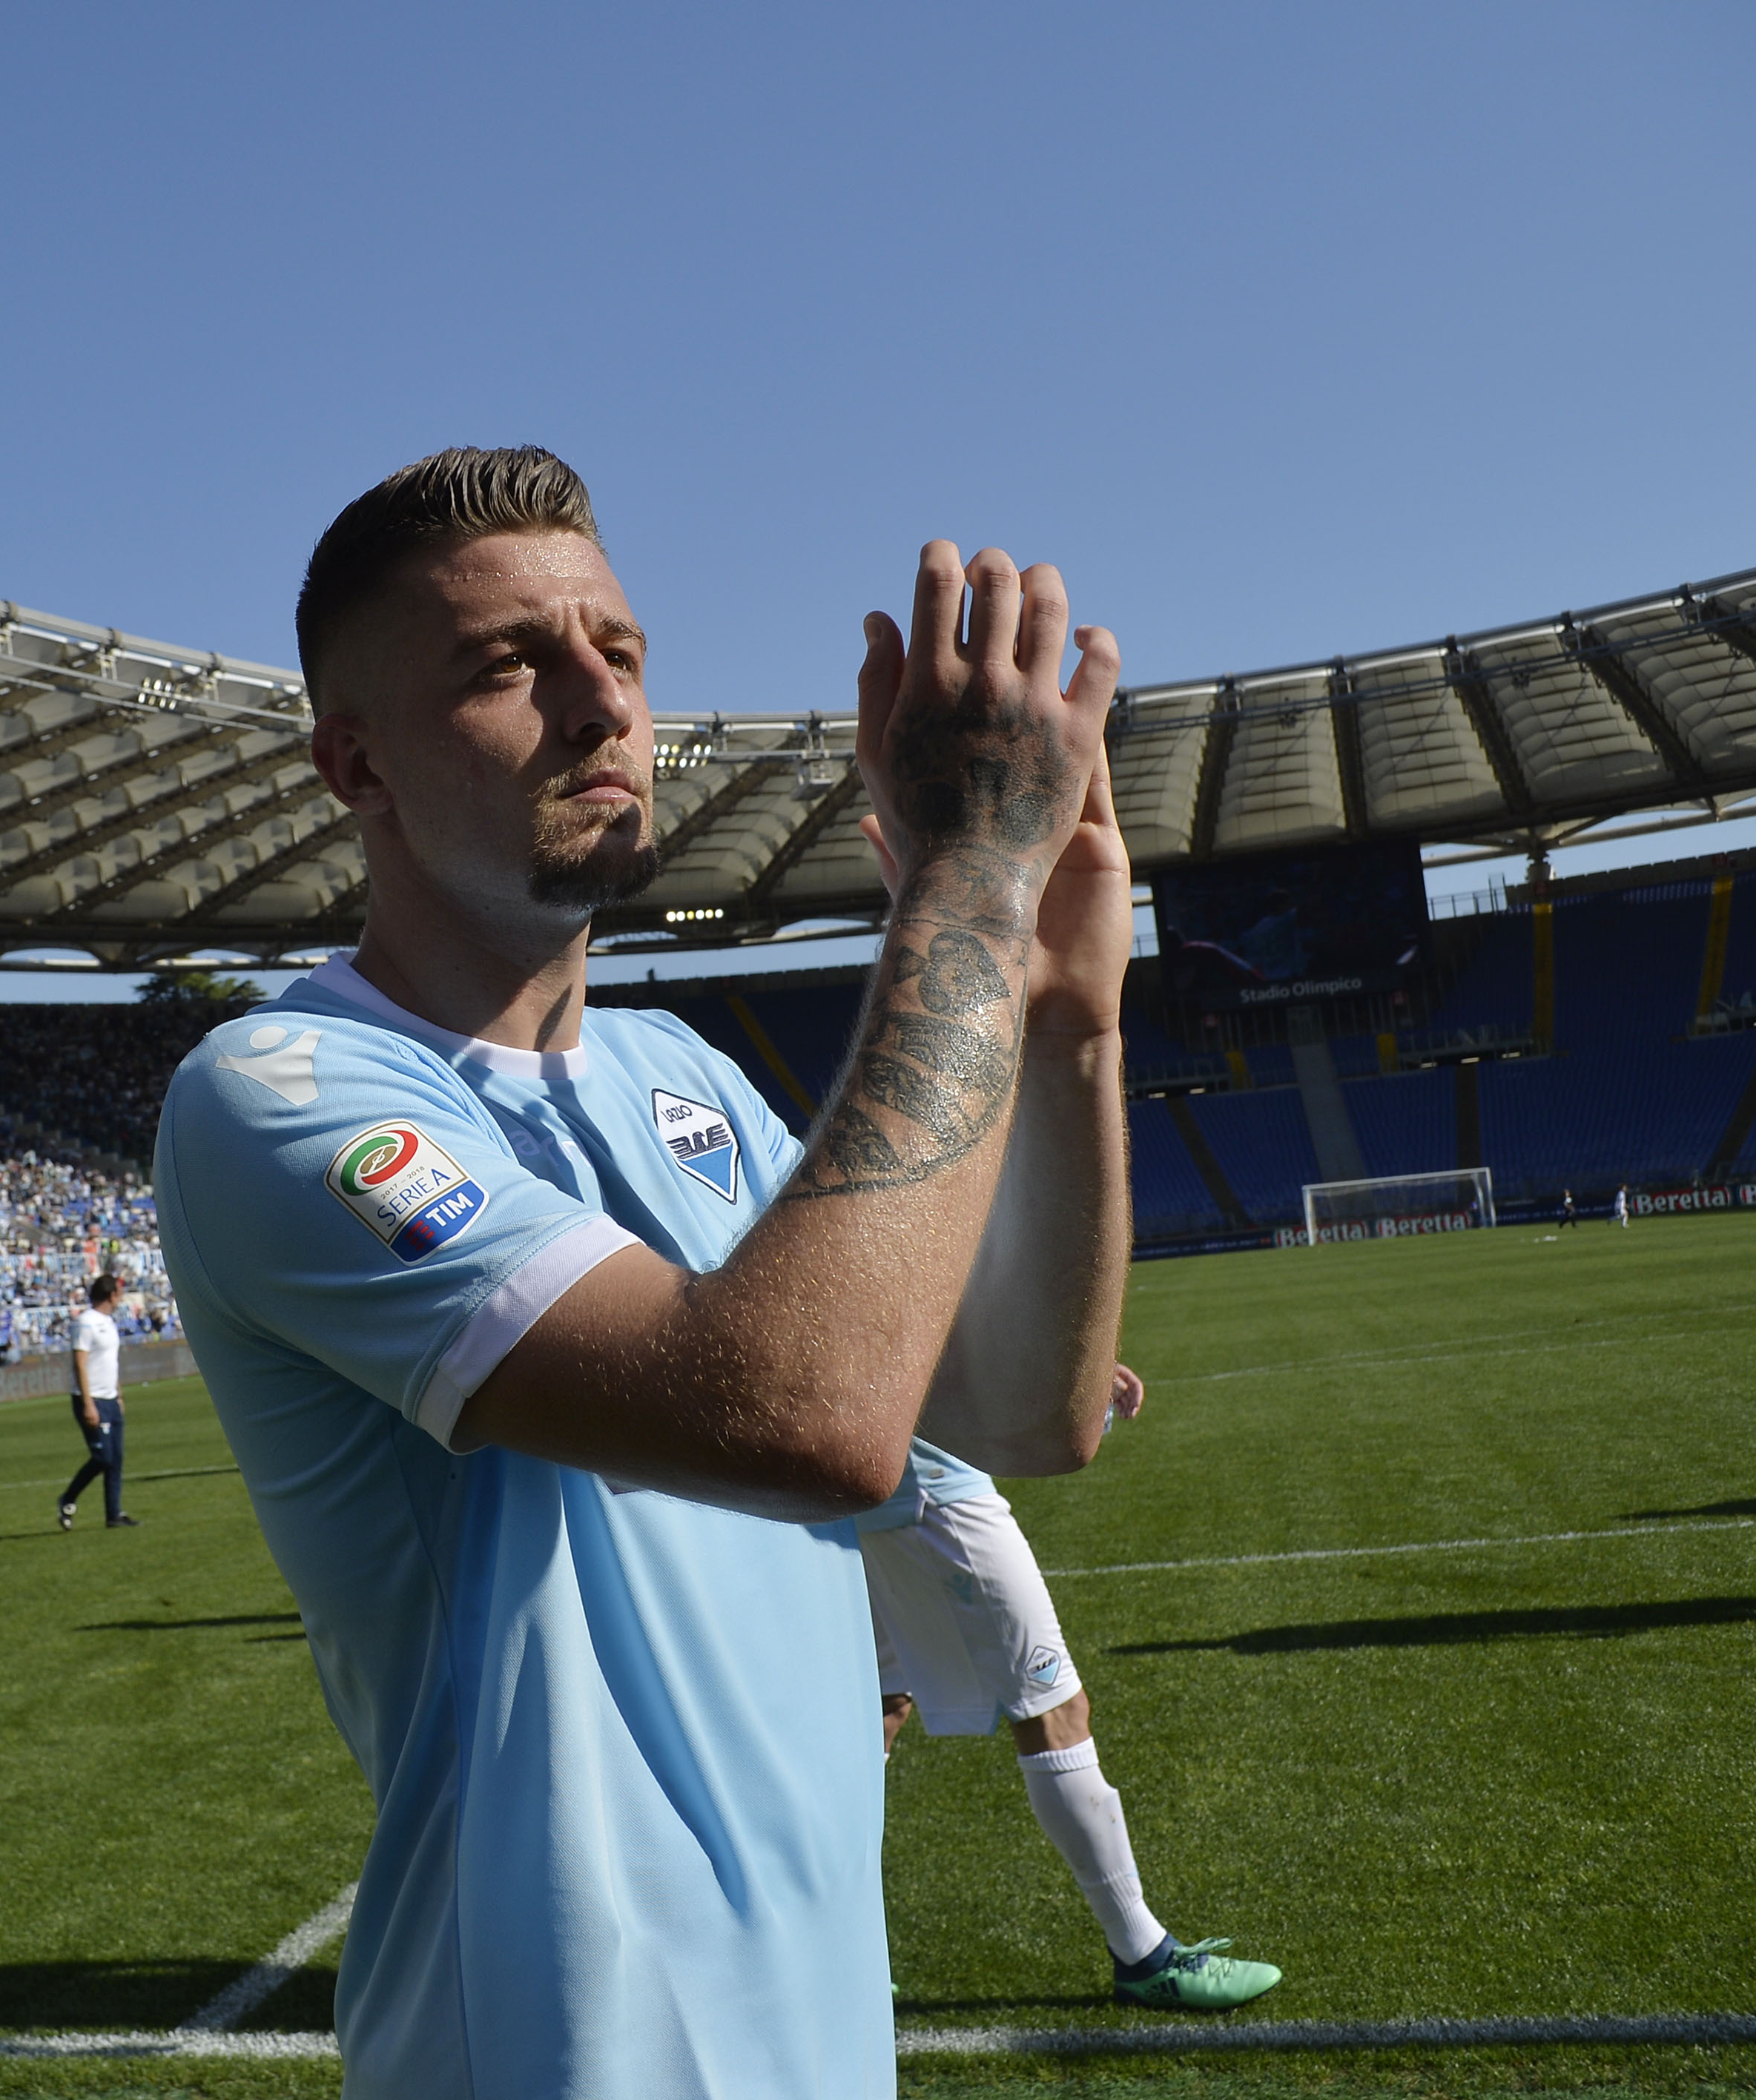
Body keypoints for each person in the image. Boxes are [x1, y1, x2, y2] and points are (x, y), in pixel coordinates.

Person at [154, 449, 1130, 2096]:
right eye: (506, 666)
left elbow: (1024, 1410)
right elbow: (811, 1416)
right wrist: (964, 886)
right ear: (356, 762)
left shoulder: (675, 1066)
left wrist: (1066, 1011)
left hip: (821, 2039)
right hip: (563, 2053)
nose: (601, 704)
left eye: (620, 650)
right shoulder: (280, 1094)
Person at [863, 1364, 1278, 2010]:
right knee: (1055, 1709)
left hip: (861, 1480)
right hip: (931, 1485)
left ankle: (838, 1957)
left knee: (878, 1710)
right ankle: (1144, 1956)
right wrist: (1064, 1365)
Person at [57, 1274, 136, 1532]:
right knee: (103, 1457)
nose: (121, 1297)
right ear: (111, 1294)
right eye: (119, 1292)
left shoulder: (108, 1323)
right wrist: (88, 1404)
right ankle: (67, 1499)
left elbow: (110, 1364)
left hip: (110, 1399)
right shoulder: (85, 1323)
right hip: (92, 1400)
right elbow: (80, 1364)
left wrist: (119, 1394)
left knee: (116, 1460)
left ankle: (114, 1514)